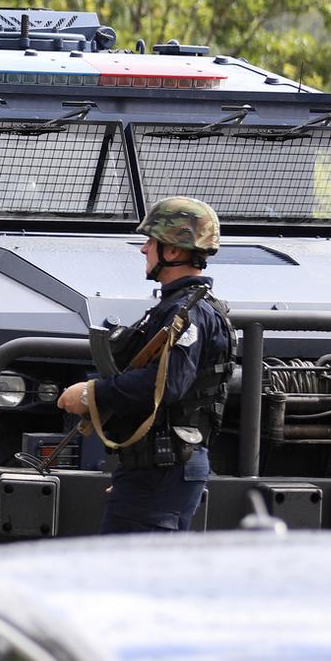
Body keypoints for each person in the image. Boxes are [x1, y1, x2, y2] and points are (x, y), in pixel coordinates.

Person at [57, 197, 233, 533]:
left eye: (151, 241)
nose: (143, 249)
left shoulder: (187, 313)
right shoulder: (191, 308)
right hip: (158, 470)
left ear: (173, 252)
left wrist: (91, 394)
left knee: (128, 579)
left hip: (163, 470)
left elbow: (167, 384)